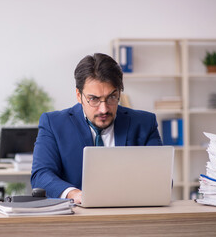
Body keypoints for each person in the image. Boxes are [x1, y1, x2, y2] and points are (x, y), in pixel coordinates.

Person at [31, 53, 162, 204]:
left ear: (119, 92)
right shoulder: (54, 124)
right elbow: (41, 176)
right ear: (79, 95)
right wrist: (74, 194)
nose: (104, 109)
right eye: (93, 99)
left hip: (131, 215)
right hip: (76, 218)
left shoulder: (144, 123)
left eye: (112, 97)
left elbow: (160, 179)